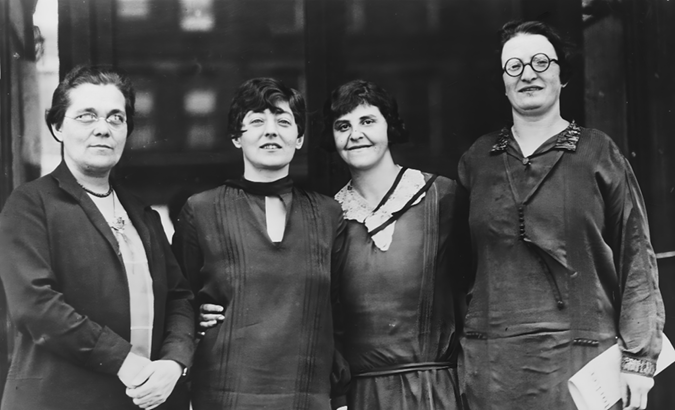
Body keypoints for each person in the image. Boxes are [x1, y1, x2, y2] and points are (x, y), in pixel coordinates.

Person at [457, 20, 665, 410]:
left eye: (540, 61)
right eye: (514, 67)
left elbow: (635, 257)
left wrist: (639, 358)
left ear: (561, 74)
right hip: (494, 369)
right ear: (503, 82)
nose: (528, 74)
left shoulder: (598, 153)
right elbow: (456, 272)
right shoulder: (476, 162)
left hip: (582, 362)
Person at [0, 65, 195, 410]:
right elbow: (36, 307)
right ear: (58, 127)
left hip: (147, 400)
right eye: (87, 116)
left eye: (115, 118)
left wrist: (173, 362)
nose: (103, 129)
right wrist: (127, 362)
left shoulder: (143, 215)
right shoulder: (31, 205)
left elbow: (179, 297)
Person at [172, 77, 346, 409]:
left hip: (306, 394)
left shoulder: (327, 213)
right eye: (256, 121)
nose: (271, 131)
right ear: (237, 137)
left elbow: (338, 312)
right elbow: (178, 299)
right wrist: (195, 317)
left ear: (299, 138)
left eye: (283, 121)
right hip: (225, 394)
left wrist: (340, 396)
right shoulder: (201, 210)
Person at [322, 79, 469, 409]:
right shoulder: (327, 218)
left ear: (390, 126)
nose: (355, 134)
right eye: (342, 126)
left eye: (368, 121)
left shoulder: (442, 197)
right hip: (360, 399)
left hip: (436, 393)